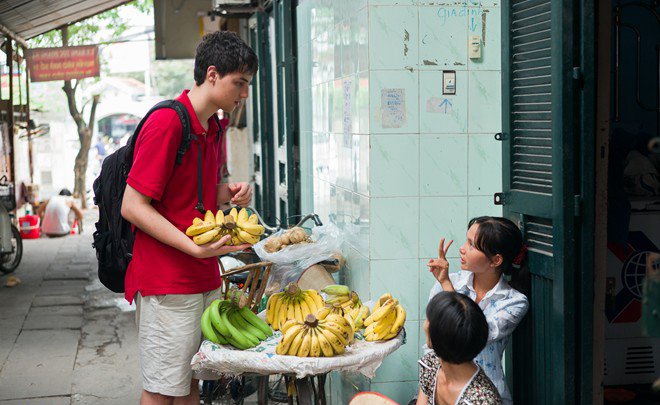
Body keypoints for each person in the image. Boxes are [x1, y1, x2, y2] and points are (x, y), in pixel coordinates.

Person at [120, 31, 258, 405]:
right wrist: (193, 249)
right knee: (162, 389)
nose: (244, 93)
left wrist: (228, 195)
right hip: (167, 281)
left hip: (202, 275)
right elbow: (133, 205)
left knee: (192, 385)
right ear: (212, 74)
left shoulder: (214, 125)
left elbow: (192, 196)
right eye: (240, 83)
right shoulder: (168, 123)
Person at [427, 216, 529, 405]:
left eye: (472, 245)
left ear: (495, 260)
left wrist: (445, 284)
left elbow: (469, 333)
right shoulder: (453, 281)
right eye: (466, 240)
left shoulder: (514, 302)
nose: (462, 248)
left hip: (483, 397)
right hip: (444, 391)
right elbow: (433, 339)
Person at [417, 291, 501, 405]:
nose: (425, 325)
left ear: (440, 335)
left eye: (428, 320)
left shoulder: (482, 400)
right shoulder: (431, 365)